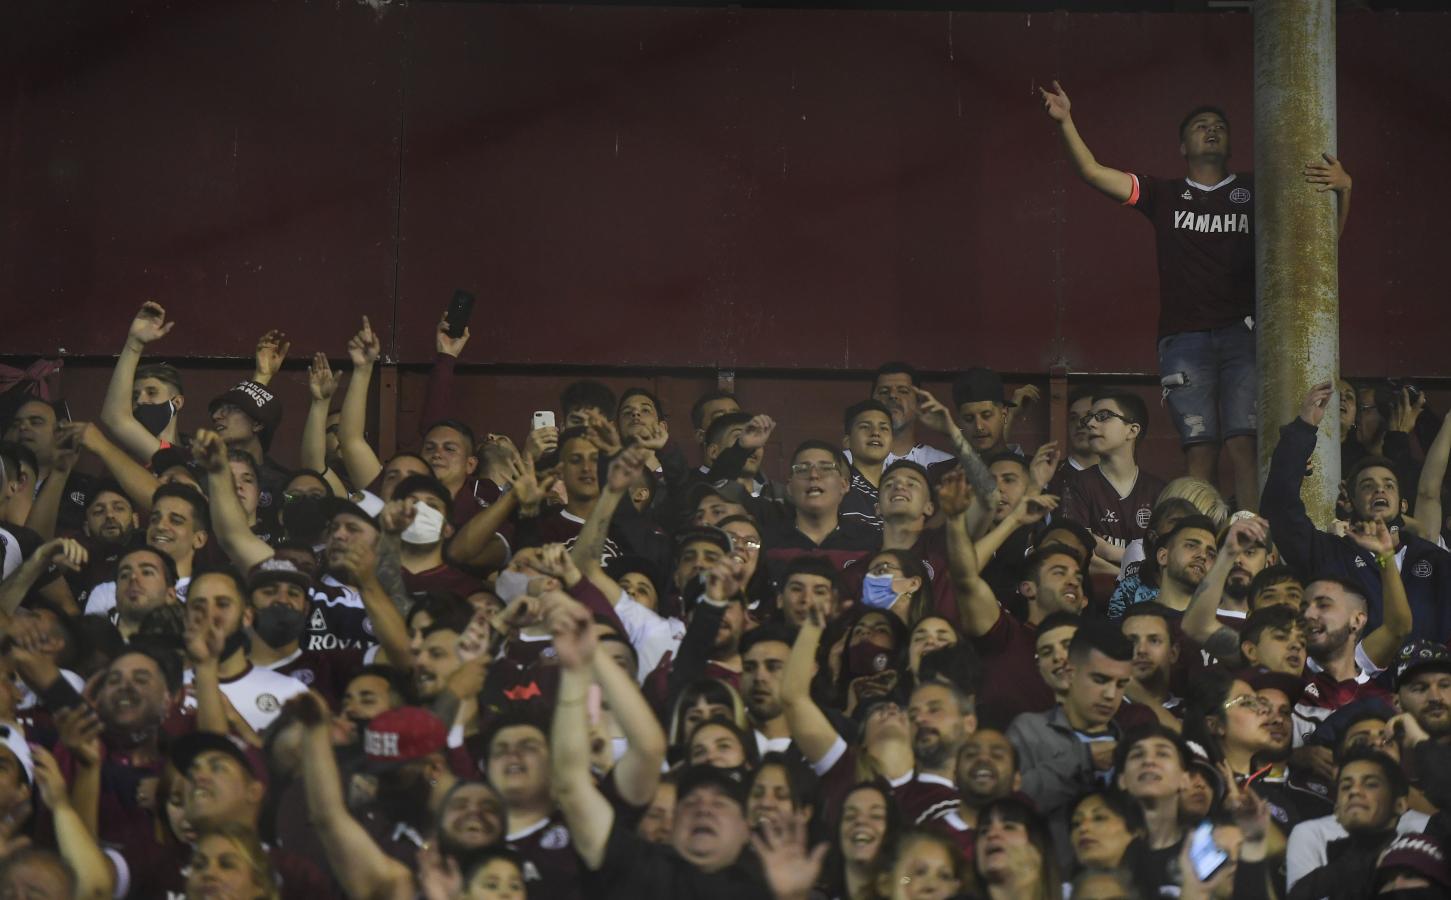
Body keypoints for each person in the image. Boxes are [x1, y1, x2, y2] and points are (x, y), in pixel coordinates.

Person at [1040, 82, 1351, 510]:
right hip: (1183, 339)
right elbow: (1093, 172)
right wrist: (1065, 121)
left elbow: (1321, 251)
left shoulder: (1255, 190)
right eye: (1201, 126)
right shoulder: (1163, 194)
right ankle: (1195, 536)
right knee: (1200, 449)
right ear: (1182, 145)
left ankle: (1248, 532)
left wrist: (1343, 189)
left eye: (1220, 126)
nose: (1211, 130)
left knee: (1245, 443)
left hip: (1243, 334)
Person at [1263, 382, 1451, 643]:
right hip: (1353, 683)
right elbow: (1280, 508)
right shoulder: (1328, 554)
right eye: (1367, 485)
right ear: (1349, 500)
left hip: (1425, 681)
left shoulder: (1435, 559)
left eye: (1388, 485)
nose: (1379, 490)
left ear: (1403, 504)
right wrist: (1302, 429)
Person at [1007, 620, 1134, 857]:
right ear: (1069, 672)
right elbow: (1010, 807)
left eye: (1121, 685)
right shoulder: (1028, 731)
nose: (1110, 695)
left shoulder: (1130, 749)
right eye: (1100, 680)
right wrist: (1082, 759)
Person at [1287, 749, 1411, 900]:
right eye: (1346, 786)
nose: (1354, 791)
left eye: (1370, 784)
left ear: (1400, 804)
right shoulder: (1315, 883)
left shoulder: (1419, 858)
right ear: (1338, 809)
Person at [871, 363, 953, 468]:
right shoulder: (848, 463)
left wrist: (952, 432)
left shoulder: (944, 463)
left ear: (918, 403)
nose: (892, 395)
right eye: (884, 392)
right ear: (871, 402)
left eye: (903, 391)